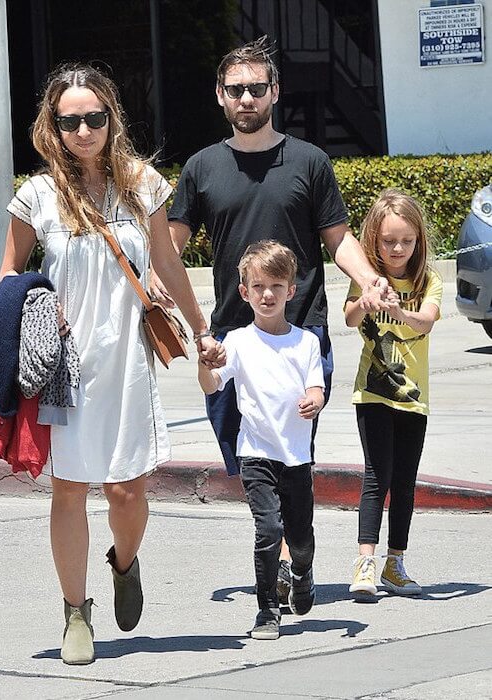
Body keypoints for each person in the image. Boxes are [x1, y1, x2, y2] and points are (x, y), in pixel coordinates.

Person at [0, 63, 223, 665]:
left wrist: (201, 329)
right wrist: (37, 312)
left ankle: (124, 563)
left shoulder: (142, 184)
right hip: (65, 365)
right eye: (69, 121)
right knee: (69, 489)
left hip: (127, 358)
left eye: (93, 117)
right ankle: (76, 611)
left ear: (110, 119)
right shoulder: (36, 196)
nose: (82, 130)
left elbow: (167, 265)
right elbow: (8, 280)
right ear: (54, 126)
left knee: (127, 491)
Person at [155, 36, 388, 601]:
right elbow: (169, 248)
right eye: (235, 89)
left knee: (287, 449)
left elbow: (338, 240)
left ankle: (282, 555)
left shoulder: (309, 162)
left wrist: (369, 279)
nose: (246, 98)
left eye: (257, 88)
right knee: (247, 457)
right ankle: (284, 543)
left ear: (275, 92)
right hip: (231, 342)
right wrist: (152, 294)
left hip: (300, 334)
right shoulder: (202, 168)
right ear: (219, 96)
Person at [198, 240, 325, 640]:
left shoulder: (305, 342)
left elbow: (317, 388)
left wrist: (314, 400)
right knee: (268, 530)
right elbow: (213, 384)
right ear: (244, 292)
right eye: (257, 287)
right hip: (256, 453)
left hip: (296, 455)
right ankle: (267, 609)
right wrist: (204, 366)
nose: (266, 294)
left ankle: (301, 572)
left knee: (300, 538)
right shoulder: (237, 340)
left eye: (275, 285)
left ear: (292, 290)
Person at [344, 189, 442, 602]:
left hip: (413, 397)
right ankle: (365, 561)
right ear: (373, 241)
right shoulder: (365, 276)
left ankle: (395, 562)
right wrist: (366, 299)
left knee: (404, 483)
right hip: (372, 393)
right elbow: (349, 318)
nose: (397, 248)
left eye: (406, 240)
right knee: (375, 476)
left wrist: (400, 311)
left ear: (418, 240)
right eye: (388, 241)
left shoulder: (428, 281)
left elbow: (426, 323)